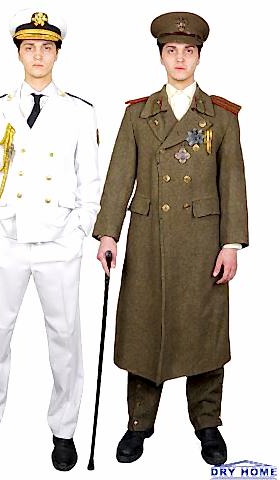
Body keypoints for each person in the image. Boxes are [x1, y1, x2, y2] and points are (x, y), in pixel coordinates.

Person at [93, 11, 248, 466]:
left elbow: (232, 182)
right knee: (145, 327)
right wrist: (108, 233)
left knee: (205, 332)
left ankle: (207, 423)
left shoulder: (221, 117)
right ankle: (138, 422)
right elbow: (119, 177)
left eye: (189, 51)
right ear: (161, 56)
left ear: (199, 57)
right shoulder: (138, 114)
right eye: (172, 50)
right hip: (149, 239)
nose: (180, 58)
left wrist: (231, 244)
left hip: (203, 241)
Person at [0, 8, 100, 471]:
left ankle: (64, 430)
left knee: (65, 337)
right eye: (29, 47)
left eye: (46, 47)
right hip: (6, 238)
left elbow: (90, 182)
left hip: (59, 242)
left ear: (57, 53)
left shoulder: (80, 112)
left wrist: (79, 231)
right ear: (18, 53)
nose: (37, 55)